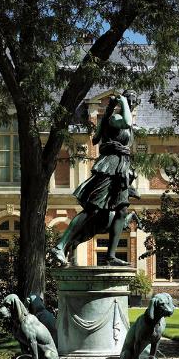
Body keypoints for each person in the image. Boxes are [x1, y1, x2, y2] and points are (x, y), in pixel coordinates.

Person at [51, 90, 140, 267]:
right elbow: (125, 122)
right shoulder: (115, 119)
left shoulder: (121, 122)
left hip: (121, 168)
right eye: (130, 102)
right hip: (109, 167)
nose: (131, 105)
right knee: (93, 209)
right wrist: (121, 102)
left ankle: (110, 256)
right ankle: (60, 246)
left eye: (133, 103)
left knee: (121, 211)